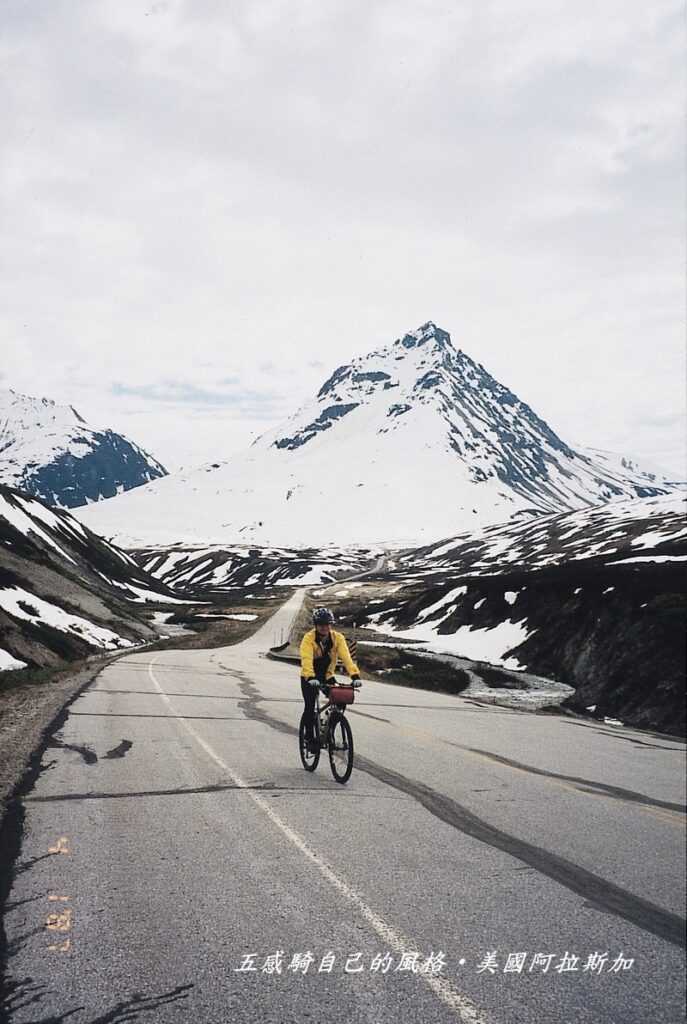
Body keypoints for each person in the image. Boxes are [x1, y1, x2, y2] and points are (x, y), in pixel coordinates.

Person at [300, 607, 361, 750]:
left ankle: (329, 730)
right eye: (321, 624)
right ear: (316, 625)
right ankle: (310, 739)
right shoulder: (308, 638)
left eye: (328, 624)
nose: (325, 627)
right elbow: (306, 658)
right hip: (309, 677)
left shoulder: (337, 638)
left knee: (340, 701)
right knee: (309, 707)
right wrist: (310, 676)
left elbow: (346, 658)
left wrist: (355, 675)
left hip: (327, 676)